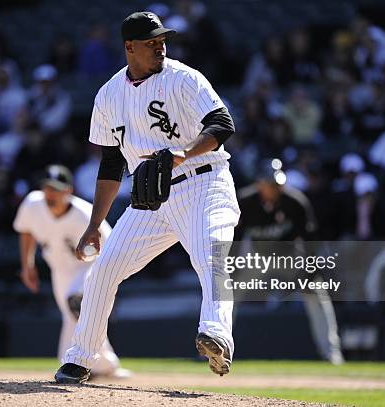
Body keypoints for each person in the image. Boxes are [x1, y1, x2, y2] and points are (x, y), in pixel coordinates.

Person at [55, 11, 240, 383]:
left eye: (162, 40)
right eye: (152, 42)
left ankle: (217, 336)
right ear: (129, 47)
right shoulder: (109, 94)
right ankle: (80, 358)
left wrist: (185, 153)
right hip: (153, 198)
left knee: (210, 257)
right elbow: (110, 164)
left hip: (205, 182)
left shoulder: (183, 78)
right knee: (104, 269)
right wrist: (94, 225)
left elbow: (222, 124)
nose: (161, 46)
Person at [13, 165, 126, 378]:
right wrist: (27, 265)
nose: (50, 194)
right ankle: (104, 365)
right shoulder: (32, 204)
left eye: (56, 189)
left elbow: (111, 245)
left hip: (89, 266)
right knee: (72, 315)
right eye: (47, 188)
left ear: (68, 191)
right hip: (59, 269)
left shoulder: (84, 213)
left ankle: (74, 363)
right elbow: (25, 230)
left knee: (74, 303)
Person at [236, 160, 344, 364]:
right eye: (270, 184)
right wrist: (230, 266)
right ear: (259, 183)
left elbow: (310, 239)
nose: (275, 189)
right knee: (226, 292)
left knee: (317, 293)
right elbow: (234, 237)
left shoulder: (295, 201)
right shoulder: (245, 201)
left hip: (289, 257)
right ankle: (214, 347)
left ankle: (331, 351)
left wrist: (310, 268)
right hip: (257, 258)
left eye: (277, 184)